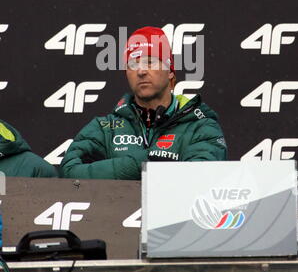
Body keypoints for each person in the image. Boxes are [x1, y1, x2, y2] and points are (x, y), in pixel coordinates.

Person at [60, 26, 227, 180]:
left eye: (150, 62)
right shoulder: (105, 128)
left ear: (169, 71)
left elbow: (201, 180)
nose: (141, 71)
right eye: (133, 64)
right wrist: (140, 164)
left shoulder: (200, 126)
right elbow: (69, 176)